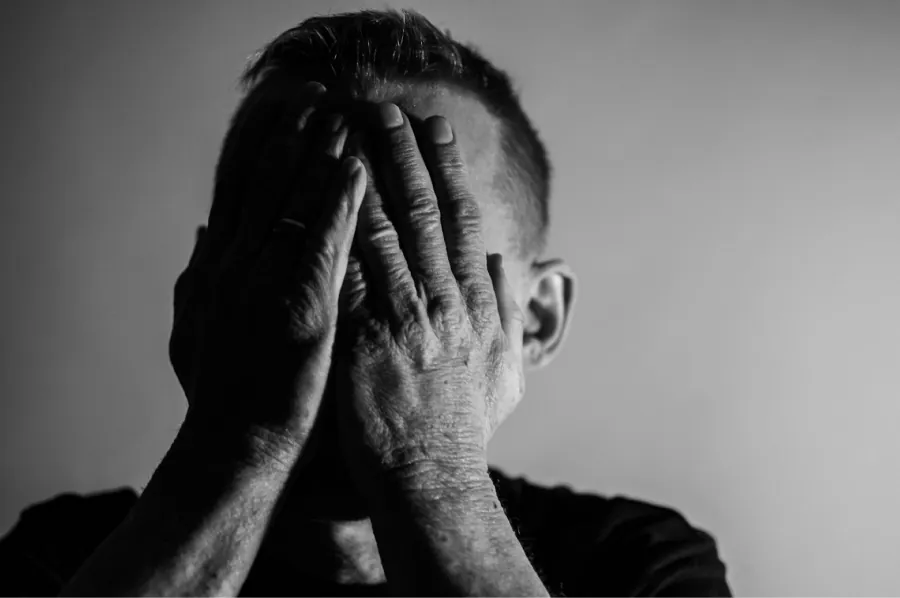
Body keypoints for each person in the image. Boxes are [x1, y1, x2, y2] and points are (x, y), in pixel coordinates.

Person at [0, 9, 731, 597]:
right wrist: (239, 448)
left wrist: (429, 466)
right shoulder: (66, 556)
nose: (342, 313)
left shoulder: (637, 565)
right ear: (200, 295)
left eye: (417, 267)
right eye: (290, 250)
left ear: (536, 319)